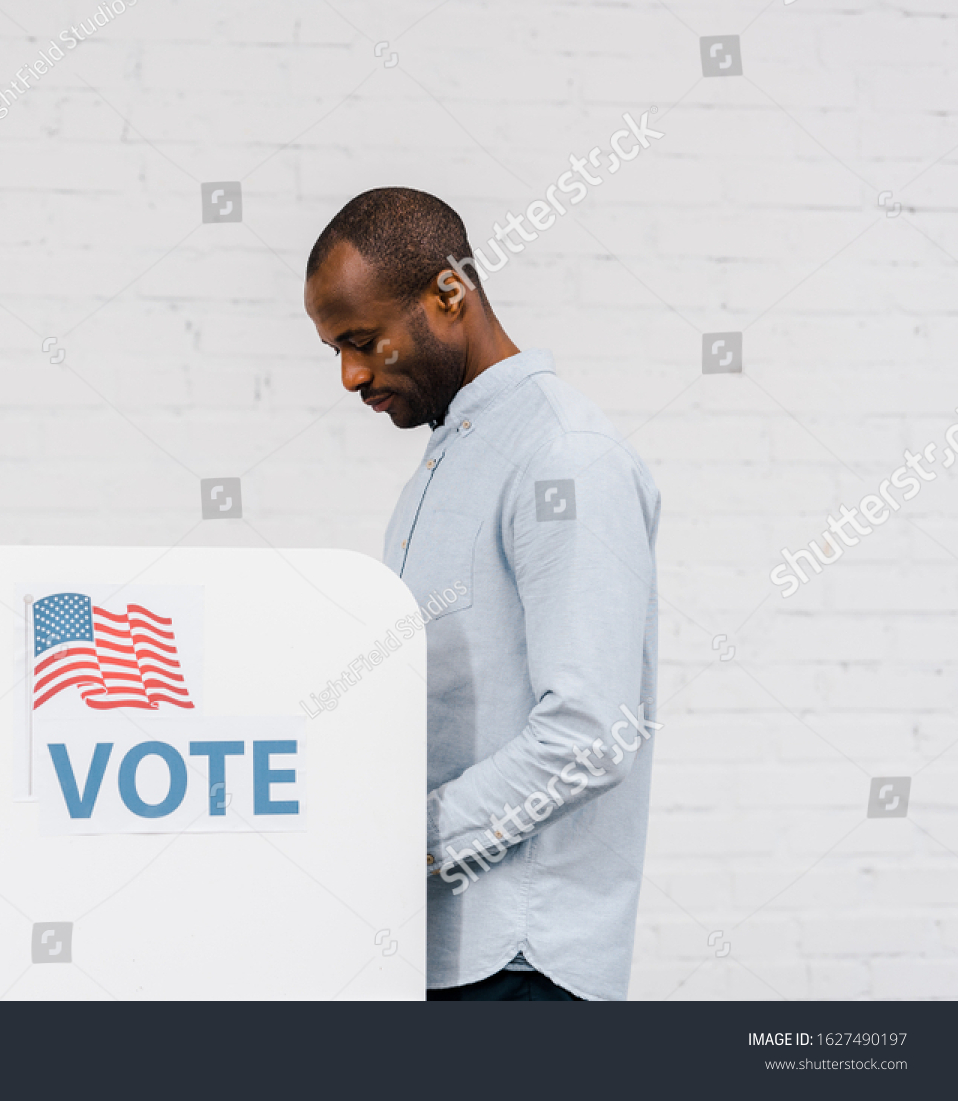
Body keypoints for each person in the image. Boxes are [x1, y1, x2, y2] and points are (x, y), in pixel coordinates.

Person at [303, 188, 661, 1001]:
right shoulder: (450, 456)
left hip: (519, 965)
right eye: (334, 350)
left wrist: (405, 840)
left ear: (449, 293)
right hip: (435, 949)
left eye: (362, 341)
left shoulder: (564, 456)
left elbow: (590, 733)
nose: (352, 374)